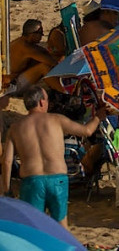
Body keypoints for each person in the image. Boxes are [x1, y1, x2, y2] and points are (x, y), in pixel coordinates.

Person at [1, 86, 104, 228]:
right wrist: (99, 116)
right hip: (57, 180)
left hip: (32, 181)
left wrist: (7, 189)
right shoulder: (56, 120)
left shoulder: (16, 127)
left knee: (33, 227)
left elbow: (6, 161)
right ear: (42, 102)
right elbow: (87, 131)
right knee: (61, 227)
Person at [4, 20, 57, 99]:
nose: (42, 36)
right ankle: (62, 91)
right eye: (40, 33)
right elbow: (52, 63)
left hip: (13, 79)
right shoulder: (26, 48)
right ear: (33, 34)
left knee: (38, 60)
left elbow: (40, 51)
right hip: (12, 87)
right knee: (44, 67)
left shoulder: (21, 41)